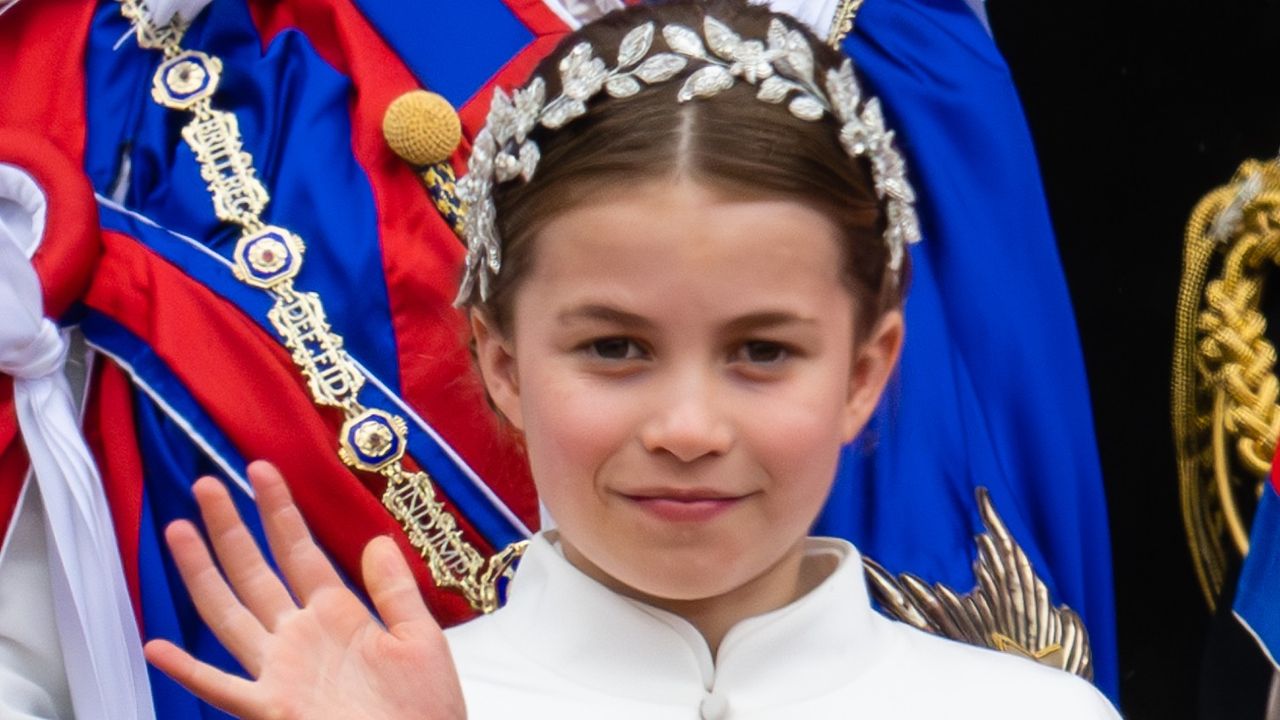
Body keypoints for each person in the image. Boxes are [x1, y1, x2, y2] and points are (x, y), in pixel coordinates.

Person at [141, 2, 1121, 717]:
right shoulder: (372, 708)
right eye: (615, 348)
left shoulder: (1034, 712)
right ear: (503, 363)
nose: (686, 429)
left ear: (864, 373)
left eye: (762, 351)